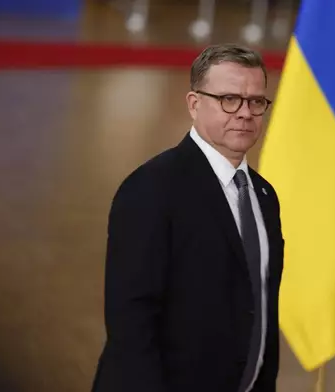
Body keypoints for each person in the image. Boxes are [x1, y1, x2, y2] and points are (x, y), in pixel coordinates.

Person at [91, 43, 284, 392]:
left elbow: (262, 307)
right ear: (194, 104)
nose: (244, 113)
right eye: (228, 99)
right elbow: (131, 322)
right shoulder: (151, 189)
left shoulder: (265, 196)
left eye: (256, 101)